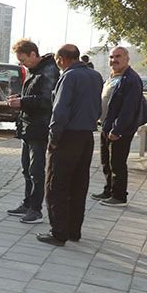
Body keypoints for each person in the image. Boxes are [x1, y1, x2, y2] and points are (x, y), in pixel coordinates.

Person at [38, 45, 104, 246]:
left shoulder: (68, 77)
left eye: (58, 60)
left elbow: (60, 111)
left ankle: (58, 232)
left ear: (63, 58)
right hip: (86, 138)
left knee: (56, 185)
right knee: (78, 185)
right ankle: (74, 230)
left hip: (68, 137)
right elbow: (98, 107)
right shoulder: (95, 76)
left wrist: (53, 138)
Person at [6, 40, 59, 224]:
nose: (22, 64)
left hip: (39, 128)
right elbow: (32, 97)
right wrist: (20, 99)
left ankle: (36, 209)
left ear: (33, 55)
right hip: (28, 126)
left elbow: (46, 101)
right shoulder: (34, 70)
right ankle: (28, 203)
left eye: (23, 60)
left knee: (36, 171)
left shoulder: (49, 71)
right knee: (26, 169)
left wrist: (23, 102)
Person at [94, 46, 144, 206]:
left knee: (117, 162)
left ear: (127, 59)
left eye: (118, 56)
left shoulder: (131, 79)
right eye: (111, 57)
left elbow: (129, 108)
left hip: (119, 129)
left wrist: (118, 129)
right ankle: (109, 190)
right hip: (106, 126)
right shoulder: (113, 76)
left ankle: (119, 196)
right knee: (106, 161)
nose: (114, 60)